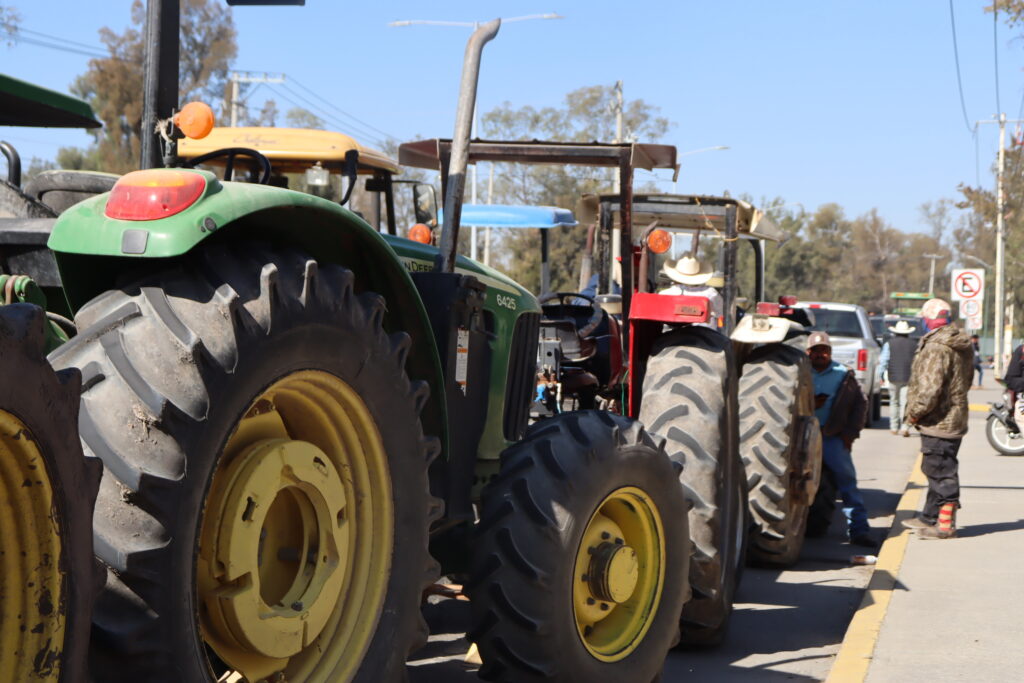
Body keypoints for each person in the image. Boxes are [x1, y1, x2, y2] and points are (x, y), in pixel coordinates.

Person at [903, 298, 974, 540]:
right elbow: (967, 380)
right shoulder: (960, 343)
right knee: (936, 467)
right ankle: (928, 516)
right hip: (955, 416)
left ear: (928, 319)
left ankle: (945, 525)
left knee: (940, 471)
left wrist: (914, 413)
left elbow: (929, 389)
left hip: (939, 421)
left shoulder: (936, 347)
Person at [807, 331, 876, 548]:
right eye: (815, 350)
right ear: (808, 352)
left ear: (830, 352)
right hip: (802, 437)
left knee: (847, 483)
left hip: (831, 436)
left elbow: (860, 404)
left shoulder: (843, 374)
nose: (820, 354)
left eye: (824, 350)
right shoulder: (798, 373)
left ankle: (859, 530)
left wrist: (849, 434)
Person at [877, 320, 918, 436]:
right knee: (905, 403)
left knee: (894, 402)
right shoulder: (914, 344)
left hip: (893, 377)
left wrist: (880, 375)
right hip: (909, 377)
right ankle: (904, 427)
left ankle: (894, 427)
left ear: (895, 332)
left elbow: (884, 361)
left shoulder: (889, 344)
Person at [660, 255, 724, 328]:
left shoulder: (666, 294)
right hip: (705, 331)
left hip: (675, 331)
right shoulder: (711, 293)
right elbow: (720, 313)